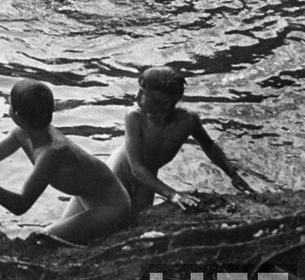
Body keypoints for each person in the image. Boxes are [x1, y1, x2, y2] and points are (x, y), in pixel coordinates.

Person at [0, 80, 130, 244]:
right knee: (49, 237)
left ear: (16, 115)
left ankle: (154, 276)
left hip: (112, 206)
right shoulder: (22, 133)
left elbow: (20, 205)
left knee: (42, 240)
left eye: (9, 103)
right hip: (87, 196)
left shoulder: (51, 152)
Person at [107, 66, 256, 216]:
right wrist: (173, 194)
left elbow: (209, 146)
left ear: (164, 103)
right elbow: (137, 167)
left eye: (144, 94)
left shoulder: (188, 120)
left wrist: (233, 175)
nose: (136, 98)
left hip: (148, 178)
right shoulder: (135, 116)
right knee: (115, 218)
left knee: (137, 220)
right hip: (121, 172)